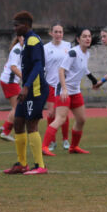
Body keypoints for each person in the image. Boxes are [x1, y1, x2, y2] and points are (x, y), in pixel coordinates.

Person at [4, 11, 49, 175]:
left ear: (26, 25)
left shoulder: (33, 40)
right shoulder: (26, 42)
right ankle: (22, 164)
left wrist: (26, 86)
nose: (15, 28)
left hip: (36, 90)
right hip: (28, 89)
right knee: (17, 122)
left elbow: (38, 66)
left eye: (17, 25)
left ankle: (40, 166)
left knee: (31, 125)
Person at [42, 28, 95, 156]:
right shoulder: (73, 52)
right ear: (78, 39)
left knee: (81, 119)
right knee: (60, 118)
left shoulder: (86, 53)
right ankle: (44, 147)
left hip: (75, 91)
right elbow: (61, 70)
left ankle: (73, 147)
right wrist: (64, 89)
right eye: (84, 36)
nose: (87, 38)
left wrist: (94, 80)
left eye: (89, 36)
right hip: (63, 90)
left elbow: (84, 69)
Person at [43, 23, 72, 151]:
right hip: (50, 84)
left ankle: (65, 140)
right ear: (51, 33)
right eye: (56, 32)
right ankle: (52, 141)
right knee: (51, 113)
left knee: (63, 114)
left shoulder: (68, 46)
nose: (58, 34)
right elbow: (43, 67)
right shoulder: (45, 48)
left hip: (63, 85)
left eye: (60, 32)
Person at [0, 35, 23, 142]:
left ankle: (4, 127)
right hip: (10, 82)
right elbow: (13, 67)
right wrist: (24, 77)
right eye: (23, 37)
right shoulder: (17, 49)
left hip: (9, 81)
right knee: (17, 108)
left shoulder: (21, 48)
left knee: (17, 107)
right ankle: (5, 132)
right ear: (19, 37)